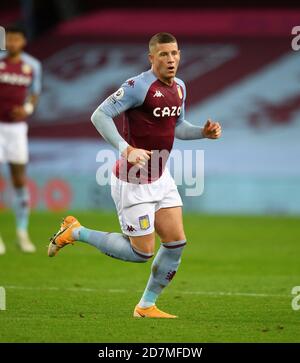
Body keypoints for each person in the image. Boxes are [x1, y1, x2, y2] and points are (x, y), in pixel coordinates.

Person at [48, 32, 221, 318]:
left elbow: (176, 126)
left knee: (176, 243)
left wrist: (202, 133)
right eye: (164, 54)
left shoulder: (179, 87)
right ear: (151, 57)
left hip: (161, 177)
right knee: (141, 253)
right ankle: (75, 232)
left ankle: (146, 306)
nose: (171, 59)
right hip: (133, 181)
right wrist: (125, 148)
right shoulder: (137, 86)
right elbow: (99, 116)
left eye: (175, 53)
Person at [0, 25, 42, 255]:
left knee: (18, 178)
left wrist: (26, 109)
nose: (13, 43)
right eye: (10, 39)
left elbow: (35, 94)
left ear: (23, 41)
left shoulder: (33, 65)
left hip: (17, 129)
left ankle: (22, 232)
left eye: (17, 39)